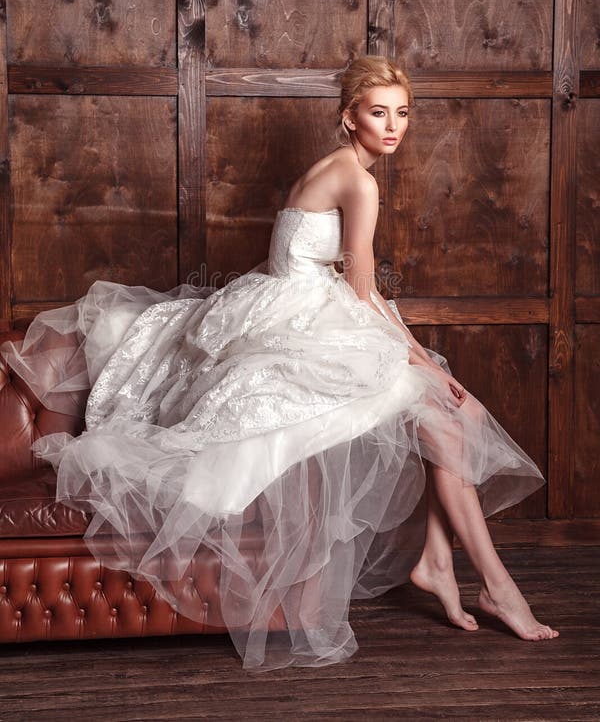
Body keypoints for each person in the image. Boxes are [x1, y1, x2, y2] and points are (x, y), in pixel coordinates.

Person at [0, 55, 558, 672]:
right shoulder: (360, 180)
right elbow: (363, 287)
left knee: (443, 416)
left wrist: (426, 364)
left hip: (292, 305)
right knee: (445, 408)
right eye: (379, 113)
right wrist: (424, 363)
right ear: (350, 118)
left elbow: (345, 283)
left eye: (403, 113)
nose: (393, 126)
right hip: (307, 317)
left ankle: (442, 561)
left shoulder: (330, 168)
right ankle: (488, 581)